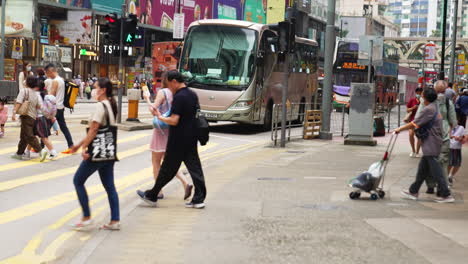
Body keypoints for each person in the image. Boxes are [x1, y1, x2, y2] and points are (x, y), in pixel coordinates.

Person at [137, 70, 207, 209]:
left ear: (175, 81)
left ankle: (152, 195)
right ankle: (199, 198)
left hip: (178, 139)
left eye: (169, 85)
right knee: (194, 168)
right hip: (191, 137)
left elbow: (174, 120)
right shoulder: (192, 94)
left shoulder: (179, 97)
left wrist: (159, 116)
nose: (169, 88)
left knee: (167, 169)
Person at [70, 78, 120, 230]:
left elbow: (94, 129)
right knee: (110, 186)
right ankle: (115, 220)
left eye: (95, 87)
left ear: (103, 90)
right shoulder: (110, 104)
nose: (93, 89)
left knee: (78, 180)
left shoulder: (100, 105)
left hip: (97, 151)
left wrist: (85, 148)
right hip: (108, 150)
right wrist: (78, 145)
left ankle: (86, 217)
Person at [396, 88, 454, 203]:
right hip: (433, 141)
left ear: (425, 98)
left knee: (436, 170)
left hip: (431, 143)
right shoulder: (434, 106)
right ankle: (413, 191)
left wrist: (399, 129)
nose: (421, 97)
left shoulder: (428, 109)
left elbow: (414, 123)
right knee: (422, 169)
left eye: (422, 96)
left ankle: (446, 194)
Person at [144, 74, 193, 200]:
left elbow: (153, 110)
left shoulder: (163, 92)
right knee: (170, 163)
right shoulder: (178, 93)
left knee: (156, 162)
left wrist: (147, 98)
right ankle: (185, 183)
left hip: (160, 131)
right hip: (172, 131)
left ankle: (158, 191)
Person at [416, 80, 457, 195]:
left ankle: (432, 186)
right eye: (440, 91)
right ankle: (439, 187)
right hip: (441, 137)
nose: (440, 94)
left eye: (441, 91)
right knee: (441, 162)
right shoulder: (448, 103)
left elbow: (418, 118)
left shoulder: (426, 102)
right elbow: (454, 122)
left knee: (432, 161)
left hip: (432, 137)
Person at [11, 76, 48, 162]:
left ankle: (41, 151)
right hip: (33, 117)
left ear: (27, 82)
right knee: (23, 136)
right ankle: (19, 154)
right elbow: (39, 106)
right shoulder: (35, 93)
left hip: (26, 116)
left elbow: (19, 102)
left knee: (29, 135)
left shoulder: (24, 91)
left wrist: (14, 112)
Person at [45, 64, 74, 153]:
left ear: (50, 71)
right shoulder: (61, 80)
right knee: (62, 127)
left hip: (54, 108)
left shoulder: (55, 81)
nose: (46, 75)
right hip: (60, 107)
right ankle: (71, 146)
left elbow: (51, 95)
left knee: (45, 127)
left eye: (46, 73)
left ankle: (39, 147)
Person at [26, 80, 58, 159]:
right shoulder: (45, 95)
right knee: (33, 137)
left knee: (43, 138)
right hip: (43, 118)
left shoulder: (35, 95)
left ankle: (53, 152)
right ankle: (27, 152)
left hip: (37, 119)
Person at [406, 88, 423, 157]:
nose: (418, 94)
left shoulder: (424, 101)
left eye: (420, 93)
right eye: (417, 93)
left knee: (419, 136)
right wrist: (413, 108)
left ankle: (417, 152)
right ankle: (413, 150)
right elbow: (407, 110)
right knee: (411, 134)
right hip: (412, 120)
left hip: (421, 121)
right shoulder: (412, 100)